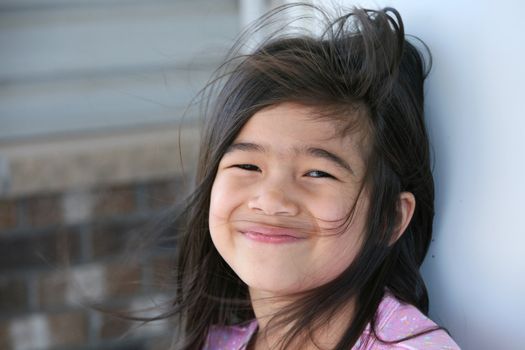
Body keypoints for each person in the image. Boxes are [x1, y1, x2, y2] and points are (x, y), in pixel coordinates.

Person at [169, 3, 460, 349]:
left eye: (317, 173)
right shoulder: (216, 343)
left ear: (389, 217)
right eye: (247, 166)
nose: (272, 199)